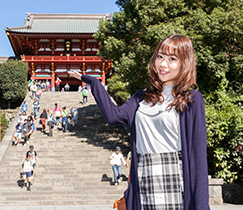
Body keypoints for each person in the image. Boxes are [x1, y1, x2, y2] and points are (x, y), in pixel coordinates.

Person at [69, 34, 210, 209]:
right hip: (144, 176)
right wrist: (94, 82)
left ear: (184, 63)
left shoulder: (191, 99)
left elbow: (198, 158)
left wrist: (202, 206)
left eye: (172, 59)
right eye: (160, 56)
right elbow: (113, 117)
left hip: (176, 178)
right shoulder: (141, 98)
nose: (163, 64)